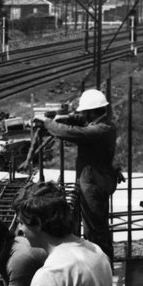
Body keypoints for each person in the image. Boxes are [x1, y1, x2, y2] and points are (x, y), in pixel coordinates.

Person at [33, 88, 121, 265]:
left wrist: (48, 123)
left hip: (94, 184)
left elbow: (70, 132)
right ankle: (101, 265)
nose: (83, 115)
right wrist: (65, 117)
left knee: (95, 230)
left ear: (90, 112)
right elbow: (80, 121)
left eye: (84, 112)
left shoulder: (100, 130)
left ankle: (102, 268)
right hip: (97, 180)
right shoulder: (104, 123)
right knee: (96, 226)